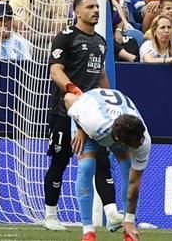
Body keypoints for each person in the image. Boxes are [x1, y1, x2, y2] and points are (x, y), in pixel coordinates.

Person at [42, 0, 120, 233]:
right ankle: (50, 215)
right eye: (90, 7)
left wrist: (109, 102)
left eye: (97, 6)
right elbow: (56, 71)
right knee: (60, 161)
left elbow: (101, 75)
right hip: (64, 112)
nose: (96, 10)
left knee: (102, 161)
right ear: (77, 12)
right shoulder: (66, 37)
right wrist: (73, 91)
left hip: (93, 115)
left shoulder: (100, 41)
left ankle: (112, 213)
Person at [63, 87, 150, 241]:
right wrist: (80, 127)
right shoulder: (93, 122)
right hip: (89, 121)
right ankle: (88, 232)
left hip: (113, 122)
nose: (140, 145)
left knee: (128, 168)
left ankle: (128, 230)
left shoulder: (143, 140)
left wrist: (129, 220)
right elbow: (69, 98)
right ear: (119, 141)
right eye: (134, 145)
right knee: (86, 166)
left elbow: (134, 181)